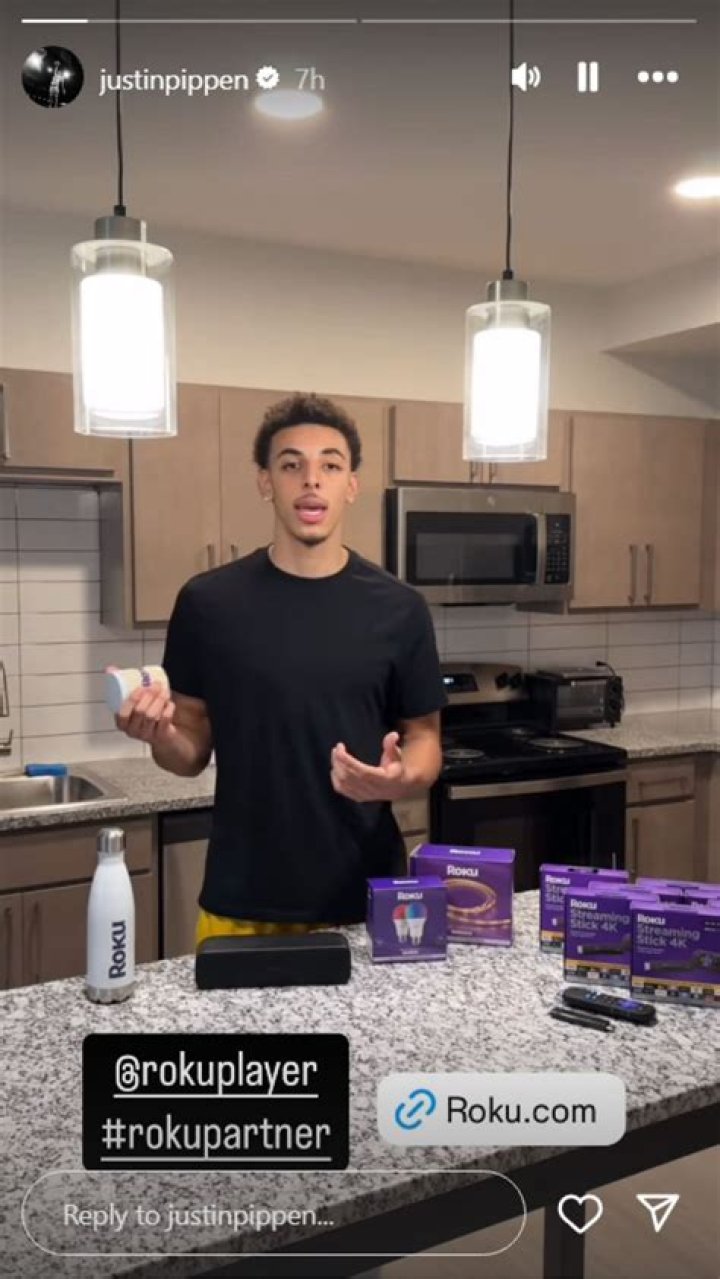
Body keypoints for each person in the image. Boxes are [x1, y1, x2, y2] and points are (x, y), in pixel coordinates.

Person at [113, 392, 446, 946]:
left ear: (351, 485)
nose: (311, 480)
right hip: (242, 899)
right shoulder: (208, 603)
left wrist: (399, 778)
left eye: (330, 466)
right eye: (291, 465)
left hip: (366, 899)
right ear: (265, 482)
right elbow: (188, 752)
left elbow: (425, 740)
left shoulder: (400, 608)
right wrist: (159, 734)